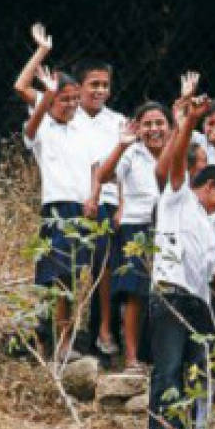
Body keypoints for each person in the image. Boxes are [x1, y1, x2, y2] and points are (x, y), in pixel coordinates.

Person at [144, 87, 215, 429]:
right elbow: (177, 161)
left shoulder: (207, 223)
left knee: (196, 368)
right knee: (167, 366)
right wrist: (189, 122)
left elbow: (210, 270)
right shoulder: (177, 198)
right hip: (170, 293)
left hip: (196, 301)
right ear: (210, 186)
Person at [23, 66, 99, 361]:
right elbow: (30, 129)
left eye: (74, 99)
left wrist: (93, 196)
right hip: (55, 206)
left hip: (81, 207)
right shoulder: (42, 127)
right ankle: (47, 337)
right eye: (63, 99)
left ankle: (66, 341)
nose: (70, 105)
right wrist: (46, 95)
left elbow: (95, 167)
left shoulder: (83, 128)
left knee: (71, 276)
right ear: (52, 100)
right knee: (52, 275)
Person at [95, 101, 172, 372]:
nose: (154, 129)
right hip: (135, 228)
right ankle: (131, 358)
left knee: (164, 294)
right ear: (137, 128)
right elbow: (103, 176)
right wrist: (122, 145)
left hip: (167, 229)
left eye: (159, 123)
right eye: (147, 124)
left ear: (170, 127)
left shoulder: (177, 152)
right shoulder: (132, 153)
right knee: (135, 294)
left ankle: (160, 357)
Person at [74, 58, 127, 359]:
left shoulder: (117, 120)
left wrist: (121, 204)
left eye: (105, 85)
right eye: (94, 84)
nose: (100, 90)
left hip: (105, 200)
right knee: (69, 265)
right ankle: (63, 330)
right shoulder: (69, 116)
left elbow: (123, 168)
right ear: (80, 86)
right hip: (75, 198)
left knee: (104, 263)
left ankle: (104, 329)